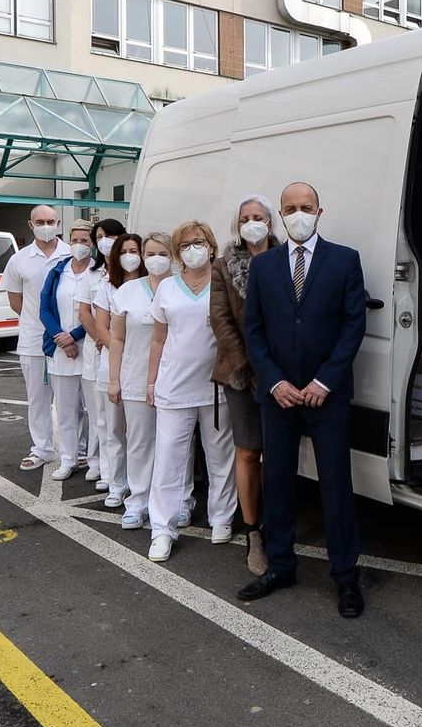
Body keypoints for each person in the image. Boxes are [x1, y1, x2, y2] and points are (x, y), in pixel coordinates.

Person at [239, 182, 368, 618]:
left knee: (336, 487)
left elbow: (353, 326)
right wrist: (275, 382)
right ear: (281, 214)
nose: (299, 214)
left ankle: (346, 578)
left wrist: (324, 381)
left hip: (326, 397)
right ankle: (280, 566)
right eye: (290, 208)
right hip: (278, 397)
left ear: (320, 211)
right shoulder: (264, 266)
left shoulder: (345, 260)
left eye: (306, 207)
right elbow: (252, 331)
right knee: (277, 483)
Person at [145, 220, 238, 562]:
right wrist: (152, 381)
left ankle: (222, 517)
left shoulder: (224, 283)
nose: (192, 249)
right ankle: (162, 530)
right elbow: (158, 338)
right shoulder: (167, 288)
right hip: (173, 386)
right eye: (184, 245)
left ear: (212, 246)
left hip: (217, 385)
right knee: (169, 458)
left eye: (198, 242)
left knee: (220, 456)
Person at [211, 195, 279, 577]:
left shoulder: (289, 259)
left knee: (280, 453)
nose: (252, 223)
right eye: (245, 218)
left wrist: (278, 371)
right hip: (241, 373)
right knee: (250, 452)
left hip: (285, 375)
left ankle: (277, 525)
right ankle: (253, 532)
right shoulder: (223, 266)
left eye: (259, 217)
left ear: (271, 221)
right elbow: (221, 322)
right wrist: (253, 370)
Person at [108, 231, 173, 530]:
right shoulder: (127, 291)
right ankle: (138, 501)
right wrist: (114, 380)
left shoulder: (180, 288)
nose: (156, 259)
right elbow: (117, 338)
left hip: (174, 378)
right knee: (139, 443)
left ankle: (180, 501)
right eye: (151, 254)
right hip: (134, 376)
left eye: (163, 253)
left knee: (174, 443)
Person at [0, 205, 68, 471]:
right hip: (33, 339)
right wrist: (40, 321)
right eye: (40, 221)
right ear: (31, 225)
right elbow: (16, 301)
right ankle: (42, 449)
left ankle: (79, 450)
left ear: (58, 222)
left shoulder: (70, 254)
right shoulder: (20, 259)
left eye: (50, 221)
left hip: (68, 341)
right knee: (38, 398)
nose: (46, 225)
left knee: (73, 399)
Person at [39, 221, 95, 481]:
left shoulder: (99, 272)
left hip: (90, 345)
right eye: (76, 239)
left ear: (92, 243)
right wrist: (61, 337)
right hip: (61, 348)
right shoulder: (58, 271)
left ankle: (94, 460)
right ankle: (68, 458)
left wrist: (74, 336)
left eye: (85, 240)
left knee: (94, 410)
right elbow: (45, 309)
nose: (80, 245)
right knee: (66, 408)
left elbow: (95, 313)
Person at [90, 231, 141, 508]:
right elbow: (101, 327)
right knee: (115, 431)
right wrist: (122, 353)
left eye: (135, 251)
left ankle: (138, 486)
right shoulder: (106, 287)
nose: (129, 257)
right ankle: (116, 484)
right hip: (112, 366)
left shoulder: (153, 286)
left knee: (140, 434)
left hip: (142, 370)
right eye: (124, 252)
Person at [75, 218, 126, 488]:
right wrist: (100, 337)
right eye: (100, 236)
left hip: (124, 352)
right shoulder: (91, 275)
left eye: (109, 235)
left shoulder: (132, 271)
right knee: (102, 418)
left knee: (126, 422)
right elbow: (84, 311)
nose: (104, 240)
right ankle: (108, 473)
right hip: (99, 350)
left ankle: (126, 474)